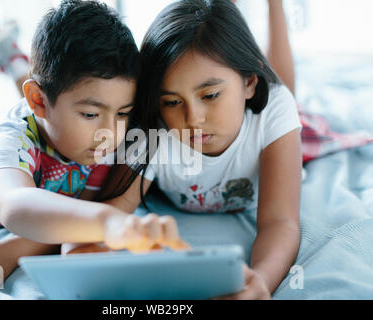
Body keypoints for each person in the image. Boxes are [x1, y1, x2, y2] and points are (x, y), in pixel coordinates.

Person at [0, 0, 188, 298]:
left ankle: (14, 59)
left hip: (50, 117)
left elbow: (90, 208)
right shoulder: (6, 142)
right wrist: (109, 223)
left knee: (61, 90)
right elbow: (15, 204)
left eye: (123, 113)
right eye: (91, 115)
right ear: (38, 102)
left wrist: (17, 248)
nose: (111, 133)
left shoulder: (110, 133)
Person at [96, 0, 303, 300]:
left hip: (273, 106)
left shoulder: (273, 111)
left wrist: (260, 280)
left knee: (288, 96)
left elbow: (280, 222)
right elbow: (109, 214)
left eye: (210, 95)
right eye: (172, 102)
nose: (193, 119)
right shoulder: (152, 133)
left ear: (248, 83)